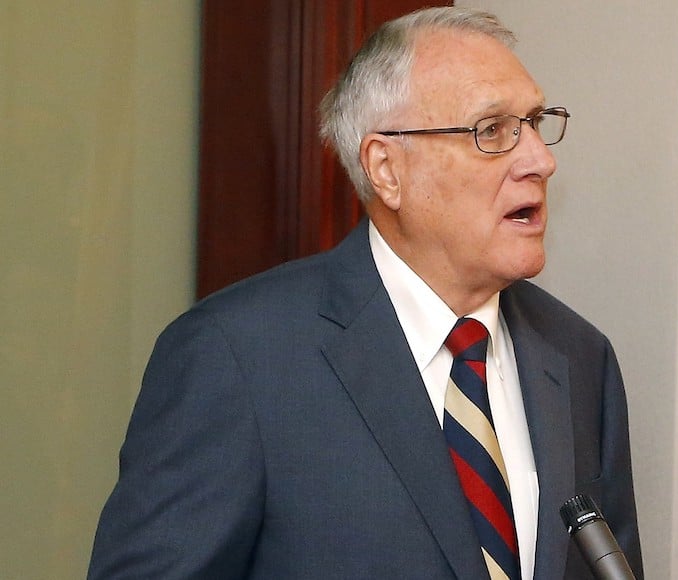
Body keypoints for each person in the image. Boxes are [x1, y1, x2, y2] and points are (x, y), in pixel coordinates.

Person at [87, 7, 642, 579]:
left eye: (536, 122)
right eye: (492, 130)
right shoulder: (238, 357)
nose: (541, 160)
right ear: (386, 169)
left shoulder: (578, 356)